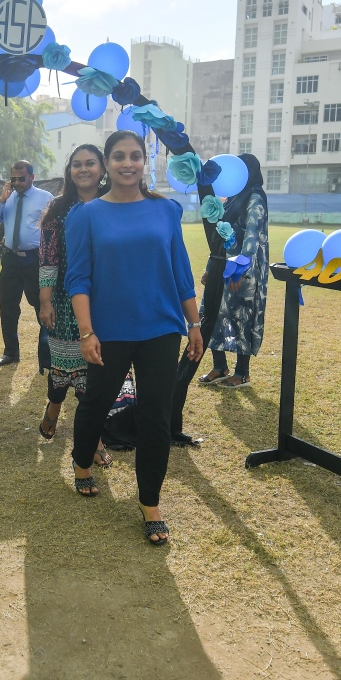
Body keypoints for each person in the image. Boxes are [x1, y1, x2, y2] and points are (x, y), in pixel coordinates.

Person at [65, 130, 202, 545]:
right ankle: (82, 462)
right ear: (106, 163)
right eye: (119, 156)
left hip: (161, 327)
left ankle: (150, 502)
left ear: (146, 162)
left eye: (136, 156)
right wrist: (87, 333)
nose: (128, 163)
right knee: (97, 403)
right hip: (108, 332)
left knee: (157, 417)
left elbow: (180, 271)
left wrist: (194, 325)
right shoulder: (86, 215)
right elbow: (78, 279)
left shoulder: (166, 211)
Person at [36, 145, 111, 460]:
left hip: (107, 298)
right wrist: (45, 300)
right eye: (77, 164)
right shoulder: (58, 207)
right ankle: (55, 406)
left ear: (102, 168)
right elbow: (48, 258)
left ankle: (91, 437)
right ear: (69, 171)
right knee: (64, 368)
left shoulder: (115, 202)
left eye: (90, 163)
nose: (83, 169)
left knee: (95, 373)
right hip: (67, 300)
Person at [199, 153, 269, 389]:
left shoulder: (255, 197)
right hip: (222, 265)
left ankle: (242, 373)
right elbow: (220, 237)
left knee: (241, 317)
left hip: (243, 270)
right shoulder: (230, 199)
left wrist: (238, 271)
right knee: (213, 313)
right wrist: (212, 267)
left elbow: (251, 237)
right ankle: (220, 367)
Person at [0, 160, 53, 366]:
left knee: (41, 306)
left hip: (35, 259)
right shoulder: (8, 198)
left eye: (21, 178)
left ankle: (47, 354)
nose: (17, 183)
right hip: (11, 259)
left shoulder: (45, 198)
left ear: (32, 177)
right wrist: (1, 201)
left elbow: (52, 229)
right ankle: (11, 353)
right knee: (8, 307)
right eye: (13, 179)